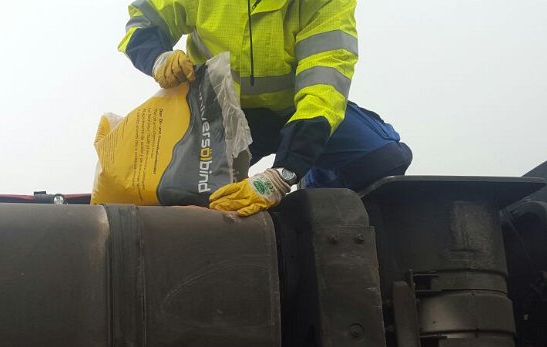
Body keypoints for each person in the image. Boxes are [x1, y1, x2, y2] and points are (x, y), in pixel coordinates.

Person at [119, 0, 412, 216]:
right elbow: (143, 23)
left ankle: (316, 191)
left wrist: (284, 174)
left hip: (297, 113)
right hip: (224, 118)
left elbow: (323, 87)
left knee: (382, 158)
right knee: (185, 195)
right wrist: (158, 57)